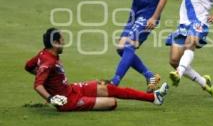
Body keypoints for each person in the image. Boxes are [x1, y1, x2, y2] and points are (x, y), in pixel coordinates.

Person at [25, 28, 169, 112]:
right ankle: (153, 98)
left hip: (72, 89)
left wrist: (49, 84)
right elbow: (38, 85)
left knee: (109, 87)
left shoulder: (43, 53)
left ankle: (154, 98)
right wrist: (51, 98)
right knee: (112, 102)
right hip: (68, 101)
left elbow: (28, 66)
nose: (64, 43)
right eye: (62, 41)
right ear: (55, 43)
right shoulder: (48, 62)